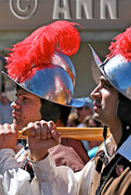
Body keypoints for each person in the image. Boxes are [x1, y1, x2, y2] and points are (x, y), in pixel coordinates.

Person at [0, 34, 131, 194]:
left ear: (130, 99)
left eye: (106, 86)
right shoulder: (106, 152)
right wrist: (40, 157)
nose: (94, 93)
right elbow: (66, 190)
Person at [0, 20, 89, 183]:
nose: (14, 104)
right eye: (17, 97)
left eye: (25, 99)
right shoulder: (34, 147)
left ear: (50, 109)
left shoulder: (63, 154)